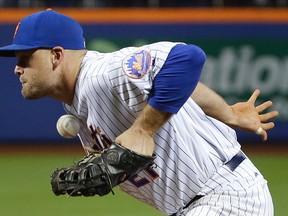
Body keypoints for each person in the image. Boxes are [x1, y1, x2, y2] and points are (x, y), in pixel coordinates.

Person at [0, 9, 278, 216]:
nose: (17, 68)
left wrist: (143, 129)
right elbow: (176, 86)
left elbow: (187, 58)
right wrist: (229, 114)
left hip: (226, 198)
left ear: (56, 55)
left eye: (25, 58)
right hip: (202, 203)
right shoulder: (75, 102)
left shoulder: (103, 74)